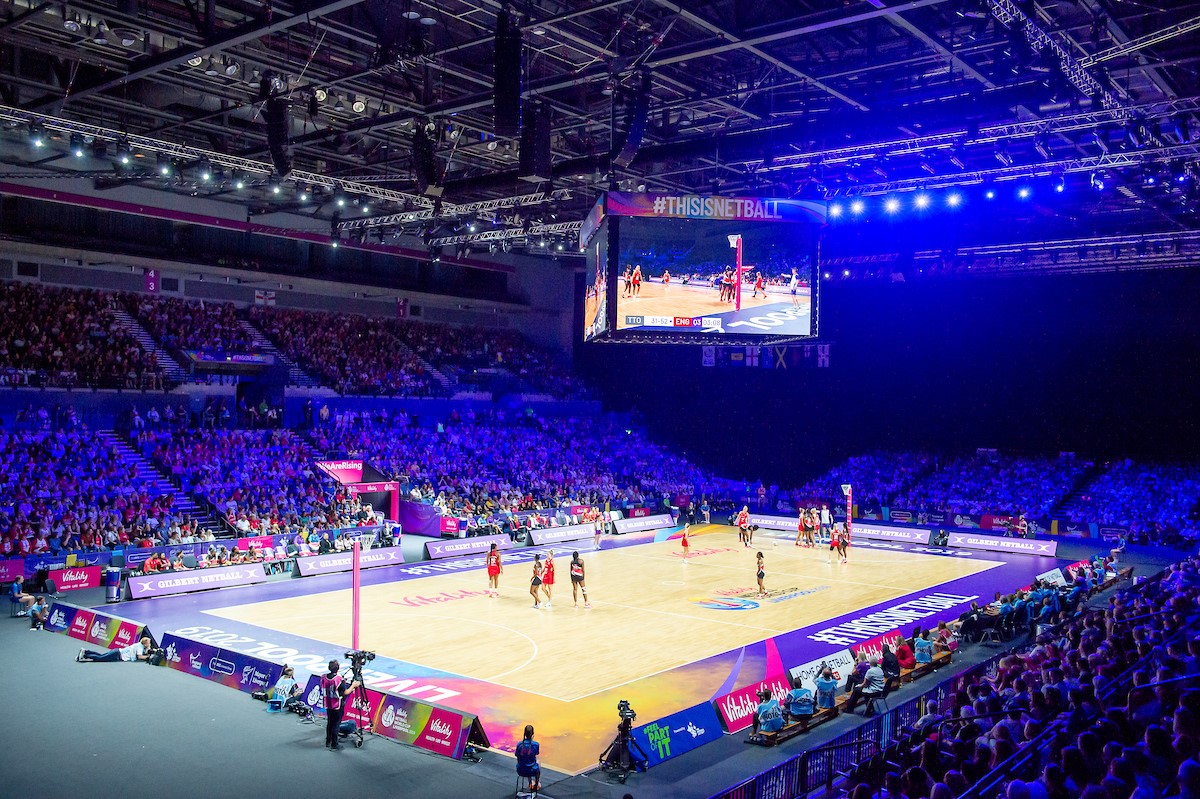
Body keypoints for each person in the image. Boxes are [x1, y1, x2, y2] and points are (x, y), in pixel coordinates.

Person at [320, 659, 357, 751]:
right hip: (337, 704)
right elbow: (345, 692)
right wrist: (353, 685)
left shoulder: (324, 677)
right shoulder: (339, 679)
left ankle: (328, 741)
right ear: (338, 668)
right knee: (336, 724)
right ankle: (334, 744)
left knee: (330, 723)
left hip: (328, 703)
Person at [78, 636, 152, 663]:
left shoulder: (139, 645)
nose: (149, 644)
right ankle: (85, 655)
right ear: (145, 643)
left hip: (117, 651)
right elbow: (140, 656)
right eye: (149, 643)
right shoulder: (140, 647)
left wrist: (149, 649)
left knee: (101, 655)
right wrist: (148, 657)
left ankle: (86, 652)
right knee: (100, 658)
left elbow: (145, 651)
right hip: (117, 654)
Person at [515, 724, 541, 792]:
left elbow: (517, 757)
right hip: (532, 771)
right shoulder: (536, 744)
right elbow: (536, 754)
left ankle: (530, 782)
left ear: (524, 734)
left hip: (520, 770)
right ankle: (537, 783)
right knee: (537, 761)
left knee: (525, 761)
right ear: (533, 734)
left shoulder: (519, 744)